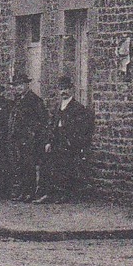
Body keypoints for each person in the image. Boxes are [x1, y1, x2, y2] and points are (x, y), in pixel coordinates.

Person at [44, 75, 94, 203]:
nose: (63, 92)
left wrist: (73, 141)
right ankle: (53, 193)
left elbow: (81, 128)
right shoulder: (57, 106)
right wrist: (49, 141)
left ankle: (65, 194)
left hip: (69, 141)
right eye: (61, 89)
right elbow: (52, 125)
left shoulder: (77, 107)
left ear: (71, 89)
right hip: (57, 139)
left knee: (67, 167)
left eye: (66, 88)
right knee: (54, 166)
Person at [4, 71, 46, 202]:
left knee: (29, 166)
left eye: (21, 85)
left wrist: (32, 133)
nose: (18, 88)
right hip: (17, 138)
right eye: (16, 86)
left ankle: (30, 192)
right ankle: (22, 191)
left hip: (29, 139)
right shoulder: (17, 100)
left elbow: (42, 120)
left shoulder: (34, 100)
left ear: (27, 85)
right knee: (19, 165)